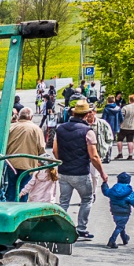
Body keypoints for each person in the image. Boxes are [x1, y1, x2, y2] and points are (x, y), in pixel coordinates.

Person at [53, 100, 107, 240]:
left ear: (73, 113)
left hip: (63, 172)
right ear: (87, 114)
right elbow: (94, 156)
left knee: (64, 202)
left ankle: (59, 228)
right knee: (87, 199)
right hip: (80, 173)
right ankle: (81, 228)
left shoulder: (60, 128)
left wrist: (62, 161)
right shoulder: (88, 131)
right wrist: (102, 173)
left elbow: (54, 150)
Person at [5, 107, 45, 197]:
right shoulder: (36, 129)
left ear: (19, 116)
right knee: (24, 190)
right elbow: (41, 148)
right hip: (28, 164)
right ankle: (21, 208)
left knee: (11, 187)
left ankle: (10, 207)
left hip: (11, 163)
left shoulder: (11, 127)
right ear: (31, 117)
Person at [101, 172, 134, 249]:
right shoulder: (129, 192)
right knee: (120, 226)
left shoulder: (113, 190)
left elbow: (106, 191)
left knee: (120, 225)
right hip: (124, 212)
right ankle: (112, 241)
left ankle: (125, 238)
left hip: (114, 211)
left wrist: (104, 183)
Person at [88, 109, 114, 188]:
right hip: (84, 154)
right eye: (87, 112)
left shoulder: (102, 123)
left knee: (95, 176)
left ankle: (93, 193)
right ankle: (88, 195)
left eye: (90, 112)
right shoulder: (82, 124)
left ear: (94, 112)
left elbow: (109, 138)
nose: (88, 114)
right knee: (86, 176)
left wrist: (105, 149)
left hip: (97, 154)